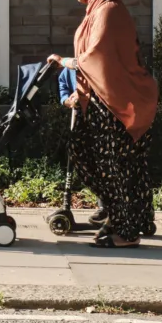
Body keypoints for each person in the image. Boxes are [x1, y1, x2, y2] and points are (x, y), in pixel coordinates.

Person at [48, 0, 158, 249]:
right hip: (103, 101)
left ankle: (126, 231)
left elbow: (98, 57)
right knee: (98, 157)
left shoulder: (108, 11)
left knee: (113, 166)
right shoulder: (98, 11)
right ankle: (128, 217)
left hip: (115, 106)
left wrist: (65, 62)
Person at [58, 63, 107, 228]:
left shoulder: (96, 64)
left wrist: (84, 94)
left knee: (103, 162)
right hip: (80, 118)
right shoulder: (69, 69)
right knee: (83, 161)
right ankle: (106, 205)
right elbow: (63, 87)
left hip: (101, 118)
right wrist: (67, 100)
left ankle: (105, 207)